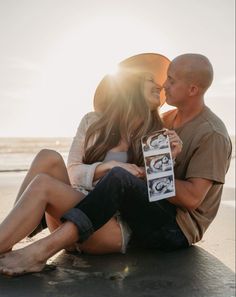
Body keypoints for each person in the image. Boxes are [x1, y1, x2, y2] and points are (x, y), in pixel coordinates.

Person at [0, 53, 183, 276]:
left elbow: (154, 192)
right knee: (47, 157)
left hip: (109, 225)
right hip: (71, 214)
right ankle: (6, 240)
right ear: (131, 85)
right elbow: (73, 172)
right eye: (150, 80)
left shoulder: (155, 134)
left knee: (43, 185)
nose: (159, 85)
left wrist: (169, 157)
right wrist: (106, 167)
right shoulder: (93, 122)